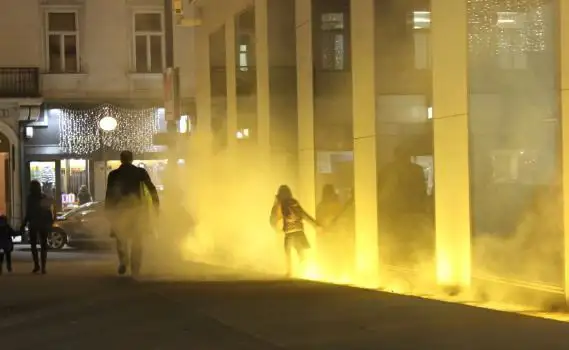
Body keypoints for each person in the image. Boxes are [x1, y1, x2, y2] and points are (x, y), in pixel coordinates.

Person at [105, 150, 159, 277]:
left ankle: (123, 261)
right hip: (137, 210)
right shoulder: (140, 172)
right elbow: (151, 189)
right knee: (137, 240)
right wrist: (156, 205)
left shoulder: (114, 174)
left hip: (119, 211)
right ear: (132, 159)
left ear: (121, 159)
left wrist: (108, 210)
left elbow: (109, 194)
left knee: (120, 238)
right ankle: (135, 267)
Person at [270, 185, 319, 278]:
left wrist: (277, 202)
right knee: (300, 251)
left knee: (287, 252)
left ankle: (290, 272)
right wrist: (315, 225)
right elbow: (304, 215)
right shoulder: (295, 203)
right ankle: (306, 270)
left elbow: (275, 217)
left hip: (289, 232)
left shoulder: (281, 204)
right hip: (299, 231)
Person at [21, 180, 55, 274]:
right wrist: (50, 223)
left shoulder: (30, 198)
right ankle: (43, 267)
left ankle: (36, 265)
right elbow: (49, 212)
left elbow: (28, 213)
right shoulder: (44, 197)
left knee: (33, 245)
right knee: (44, 245)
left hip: (33, 224)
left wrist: (23, 224)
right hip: (43, 224)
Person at [316, 184, 344, 276]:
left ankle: (331, 273)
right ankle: (335, 273)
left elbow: (318, 219)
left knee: (330, 255)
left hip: (328, 236)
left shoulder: (321, 206)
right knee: (333, 255)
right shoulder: (337, 205)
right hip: (332, 236)